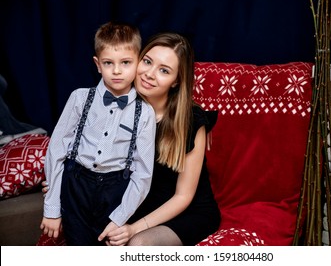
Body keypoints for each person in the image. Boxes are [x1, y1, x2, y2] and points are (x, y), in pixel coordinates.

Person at [97, 32, 221, 246]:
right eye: (147, 61)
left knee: (138, 245)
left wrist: (133, 229)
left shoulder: (190, 121)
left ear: (176, 81)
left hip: (185, 211)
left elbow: (183, 197)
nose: (149, 74)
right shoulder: (118, 108)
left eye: (164, 70)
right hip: (139, 206)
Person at [40, 21, 156, 246]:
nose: (117, 70)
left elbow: (143, 173)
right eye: (108, 63)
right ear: (97, 64)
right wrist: (52, 209)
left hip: (115, 194)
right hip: (76, 188)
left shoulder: (145, 113)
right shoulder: (80, 98)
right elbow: (56, 151)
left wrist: (120, 218)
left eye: (125, 62)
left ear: (138, 63)